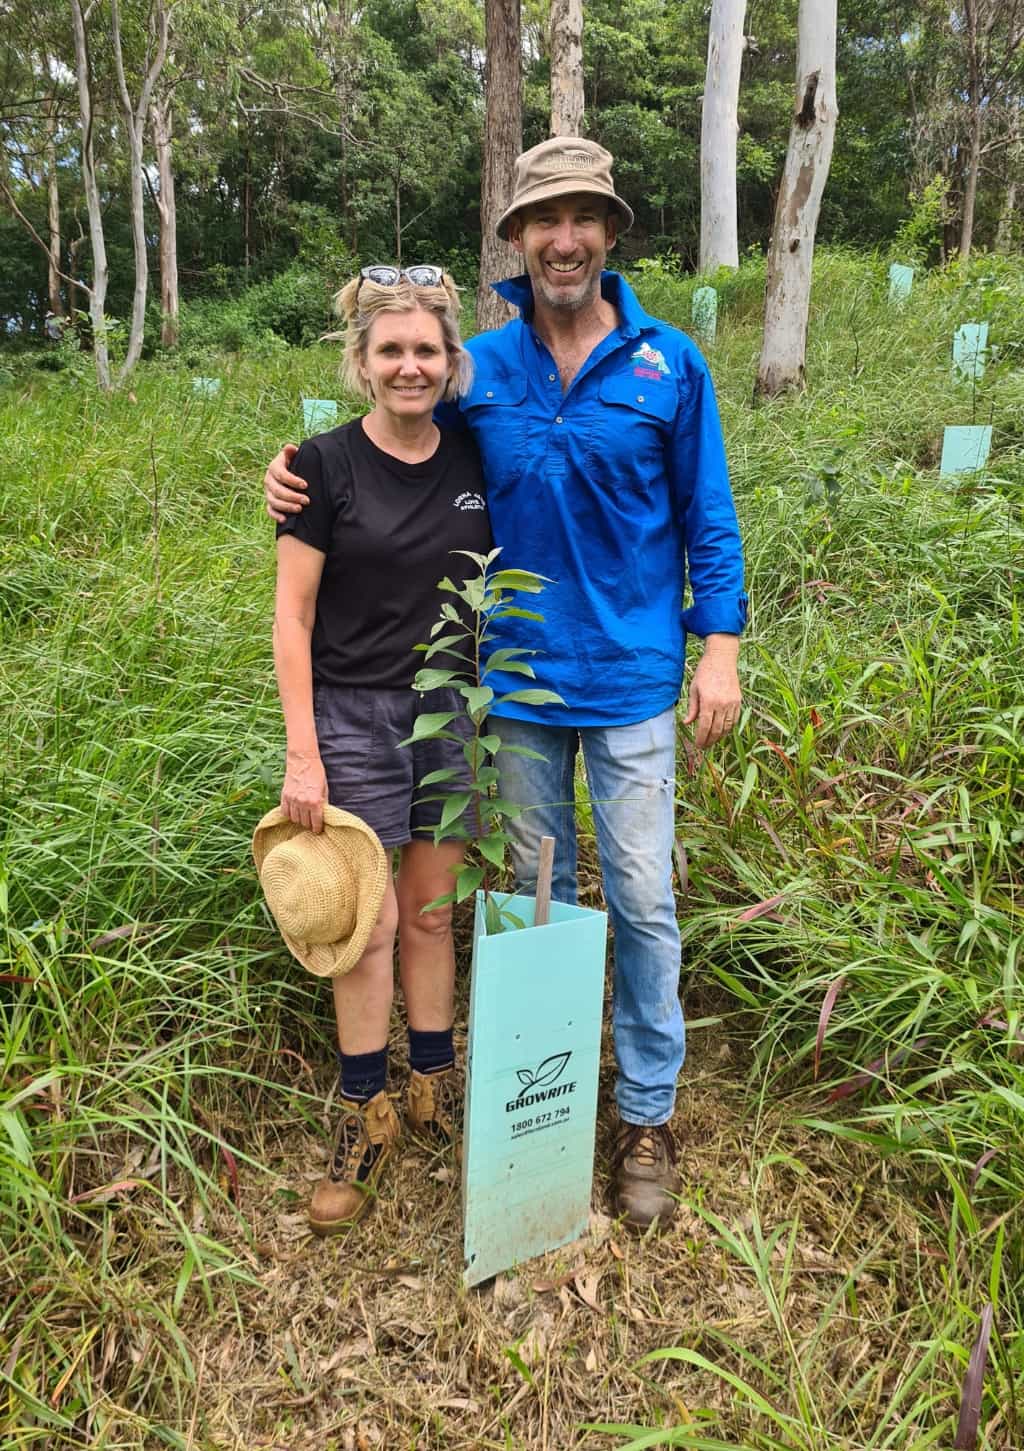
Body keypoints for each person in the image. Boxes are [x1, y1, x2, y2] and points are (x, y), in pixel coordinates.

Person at [264, 141, 746, 1231]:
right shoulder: (479, 367)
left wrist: (717, 647)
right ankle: (544, 1102)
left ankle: (646, 1115)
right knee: (534, 906)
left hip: (630, 681)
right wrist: (297, 478)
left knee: (641, 899)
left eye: (584, 217)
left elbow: (708, 515)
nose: (564, 238)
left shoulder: (668, 364)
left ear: (610, 233)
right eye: (544, 220)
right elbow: (399, 439)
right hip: (513, 689)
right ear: (517, 242)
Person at [269, 265, 490, 1235]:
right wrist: (303, 755)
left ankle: (435, 1080)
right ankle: (366, 1108)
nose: (409, 365)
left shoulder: (479, 453)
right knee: (362, 927)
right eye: (390, 349)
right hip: (351, 714)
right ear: (362, 362)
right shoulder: (320, 466)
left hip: (451, 711)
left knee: (433, 914)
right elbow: (291, 615)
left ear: (451, 362)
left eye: (426, 350)